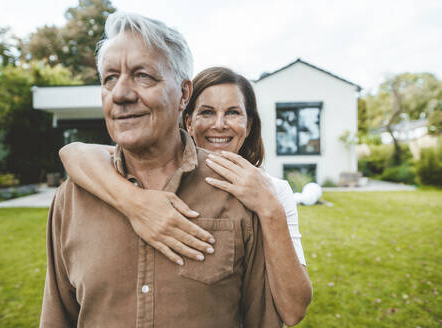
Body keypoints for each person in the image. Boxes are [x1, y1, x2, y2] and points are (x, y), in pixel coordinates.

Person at [41, 11, 289, 327]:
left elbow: (264, 321)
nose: (121, 94)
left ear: (184, 94)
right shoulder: (72, 198)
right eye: (109, 78)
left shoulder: (237, 191)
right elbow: (57, 317)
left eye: (143, 75)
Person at [59, 67, 312, 325]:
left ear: (248, 126)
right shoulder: (155, 175)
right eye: (207, 112)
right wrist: (134, 202)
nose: (219, 124)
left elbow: (293, 311)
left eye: (233, 112)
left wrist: (269, 208)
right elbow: (76, 153)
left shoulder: (274, 191)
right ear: (188, 122)